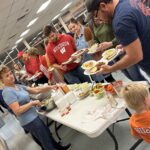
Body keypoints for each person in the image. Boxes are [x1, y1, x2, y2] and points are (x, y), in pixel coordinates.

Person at [0, 65, 70, 150]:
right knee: (46, 142)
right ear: (1, 80)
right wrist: (32, 103)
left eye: (10, 73)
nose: (11, 76)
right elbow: (17, 111)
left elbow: (36, 90)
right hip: (29, 121)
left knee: (47, 135)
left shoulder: (17, 86)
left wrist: (51, 87)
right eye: (7, 76)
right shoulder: (7, 92)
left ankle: (60, 148)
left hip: (33, 117)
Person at [85, 0, 150, 77]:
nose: (99, 19)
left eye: (96, 15)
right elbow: (141, 27)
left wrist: (110, 68)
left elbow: (135, 56)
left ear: (103, 6)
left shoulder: (120, 21)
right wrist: (126, 44)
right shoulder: (130, 2)